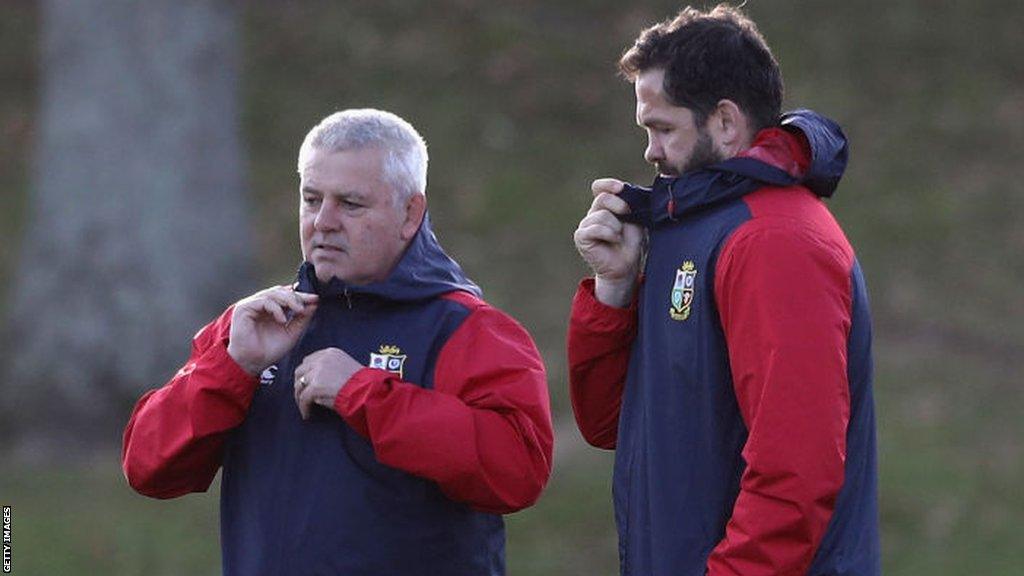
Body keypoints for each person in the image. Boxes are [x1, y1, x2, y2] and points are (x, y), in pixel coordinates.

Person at [123, 109, 553, 576]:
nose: (323, 222)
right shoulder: (255, 328)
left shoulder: (467, 330)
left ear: (410, 213)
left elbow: (518, 474)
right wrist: (231, 369)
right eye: (311, 199)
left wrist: (363, 394)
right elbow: (148, 469)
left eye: (350, 204)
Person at [569, 5, 879, 576]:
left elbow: (796, 472)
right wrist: (614, 287)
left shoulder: (775, 241)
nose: (650, 151)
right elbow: (613, 425)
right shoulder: (691, 225)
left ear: (726, 122)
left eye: (662, 128)